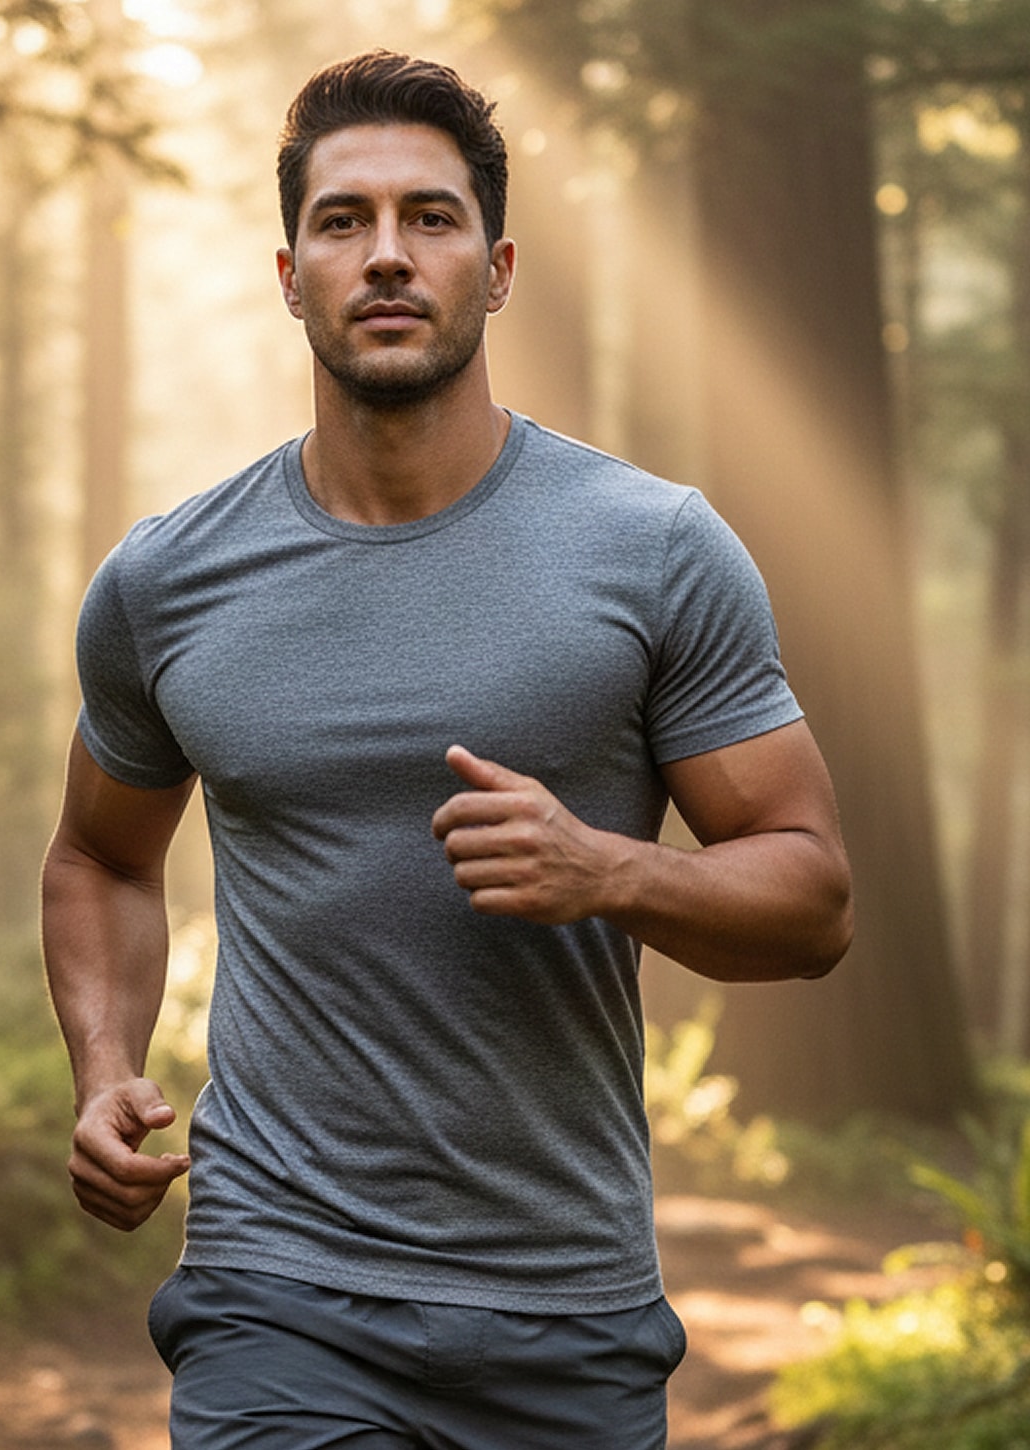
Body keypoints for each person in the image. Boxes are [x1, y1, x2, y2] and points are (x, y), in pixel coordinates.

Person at [42, 49, 853, 1450]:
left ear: (500, 263)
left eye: (432, 217)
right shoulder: (168, 580)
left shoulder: (653, 549)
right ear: (289, 271)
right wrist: (105, 1060)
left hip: (564, 1306)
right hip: (274, 1289)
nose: (388, 256)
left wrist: (609, 870)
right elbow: (103, 855)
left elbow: (814, 898)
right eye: (344, 222)